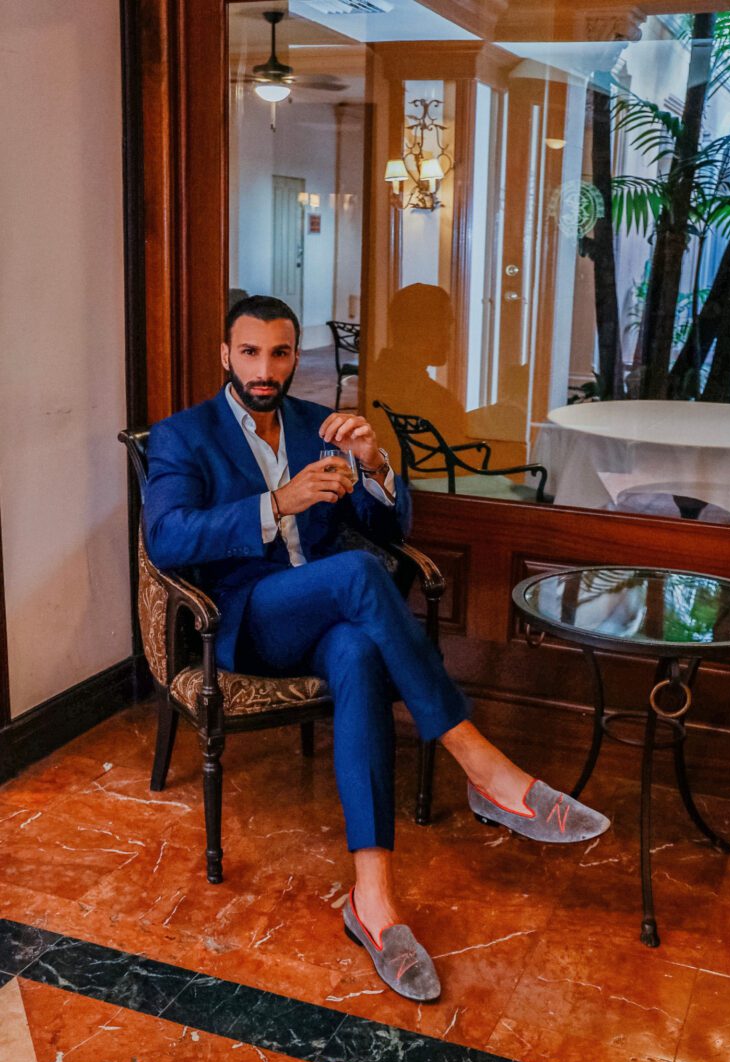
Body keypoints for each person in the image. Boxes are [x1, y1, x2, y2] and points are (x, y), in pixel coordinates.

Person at [144, 294, 610, 1002]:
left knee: (361, 653)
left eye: (279, 353)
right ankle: (481, 765)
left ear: (295, 356)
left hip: (329, 617)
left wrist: (374, 464)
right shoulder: (186, 435)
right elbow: (167, 538)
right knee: (359, 575)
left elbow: (385, 524)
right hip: (248, 619)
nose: (264, 369)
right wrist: (279, 504)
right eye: (249, 353)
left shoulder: (316, 424)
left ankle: (373, 902)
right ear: (225, 356)